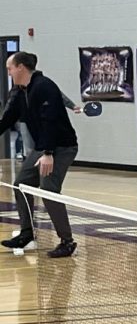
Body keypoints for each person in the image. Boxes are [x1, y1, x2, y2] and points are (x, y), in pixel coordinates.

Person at [0, 52, 79, 258]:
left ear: (21, 68)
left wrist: (48, 153)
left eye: (10, 68)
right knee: (21, 184)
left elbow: (50, 121)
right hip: (43, 148)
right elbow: (8, 119)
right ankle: (26, 233)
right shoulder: (20, 92)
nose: (8, 72)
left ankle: (67, 241)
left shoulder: (44, 86)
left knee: (48, 189)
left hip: (61, 147)